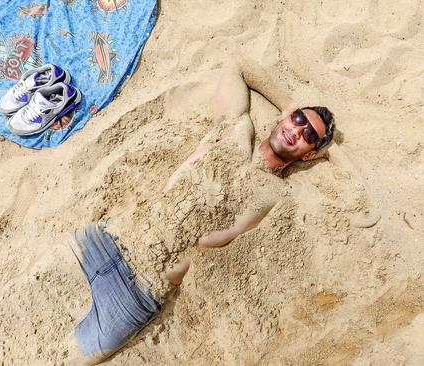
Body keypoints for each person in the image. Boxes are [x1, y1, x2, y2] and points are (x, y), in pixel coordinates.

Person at [66, 53, 335, 364]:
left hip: (139, 291)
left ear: (309, 155)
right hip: (107, 240)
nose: (298, 131)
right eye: (298, 120)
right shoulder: (236, 129)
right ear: (284, 118)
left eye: (309, 136)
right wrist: (290, 105)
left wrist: (329, 150)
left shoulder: (275, 194)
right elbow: (238, 64)